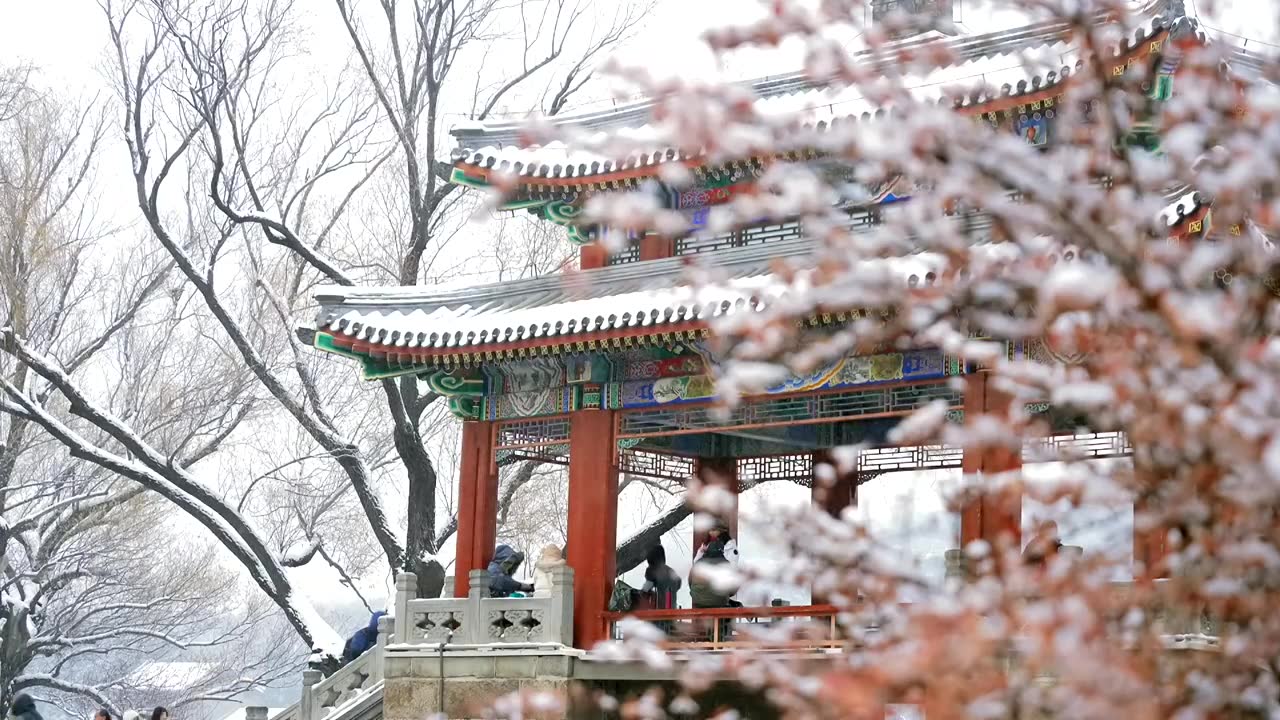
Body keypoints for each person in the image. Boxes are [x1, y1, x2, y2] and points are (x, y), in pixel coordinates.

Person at [641, 543, 682, 611]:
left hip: (660, 612)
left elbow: (646, 589)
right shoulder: (670, 571)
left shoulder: (652, 571)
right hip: (672, 610)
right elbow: (678, 582)